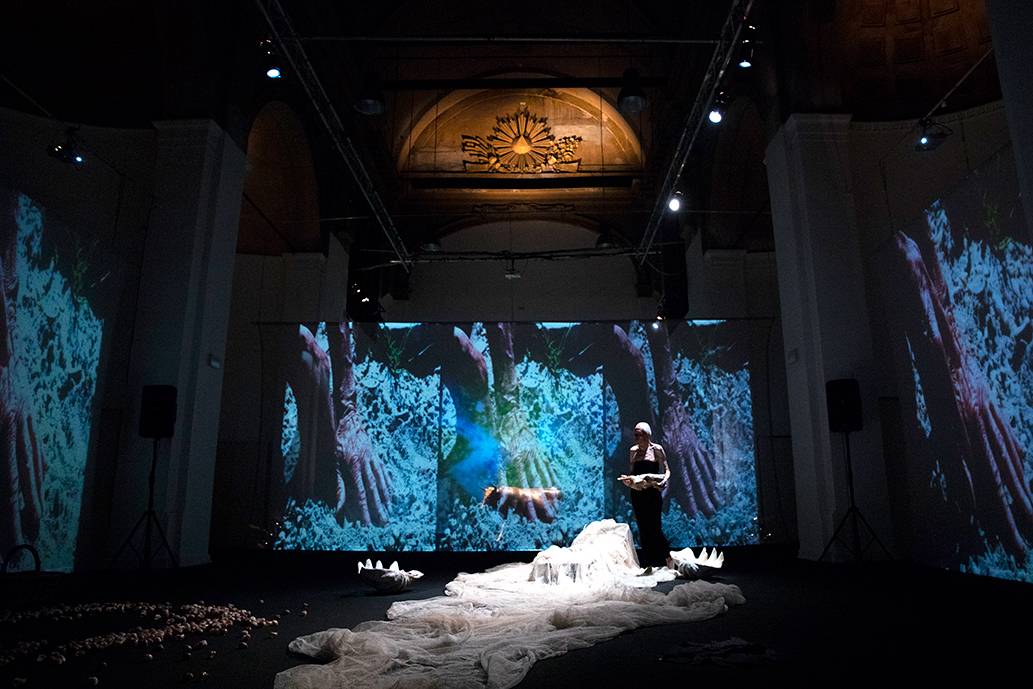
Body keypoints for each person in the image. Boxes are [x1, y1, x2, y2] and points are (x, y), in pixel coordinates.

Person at [619, 421, 672, 567]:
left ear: (647, 435)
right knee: (642, 526)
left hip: (653, 492)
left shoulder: (657, 450)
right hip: (638, 493)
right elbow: (632, 472)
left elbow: (667, 470)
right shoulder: (633, 451)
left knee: (655, 526)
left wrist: (664, 481)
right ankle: (648, 562)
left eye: (638, 435)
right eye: (635, 435)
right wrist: (628, 480)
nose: (635, 438)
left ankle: (665, 557)